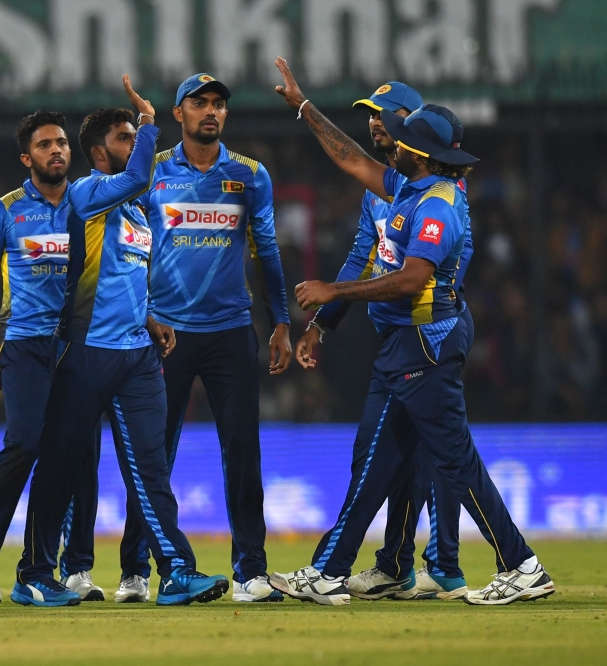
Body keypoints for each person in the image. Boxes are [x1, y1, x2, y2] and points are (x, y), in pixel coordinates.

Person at [269, 58, 554, 606]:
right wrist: (304, 108)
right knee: (375, 461)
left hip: (425, 341)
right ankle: (330, 571)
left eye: (396, 131)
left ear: (417, 149)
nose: (384, 137)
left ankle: (520, 565)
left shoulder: (438, 204)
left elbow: (411, 280)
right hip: (407, 343)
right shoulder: (406, 184)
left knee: (452, 460)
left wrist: (334, 292)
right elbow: (351, 159)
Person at [12, 76, 229, 608]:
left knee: (150, 467)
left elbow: (123, 275)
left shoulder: (134, 212)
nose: (135, 145)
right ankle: (34, 574)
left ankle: (176, 571)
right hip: (86, 352)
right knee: (60, 463)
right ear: (97, 152)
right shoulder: (86, 193)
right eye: (125, 138)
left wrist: (151, 317)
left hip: (135, 354)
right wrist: (154, 124)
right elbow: (136, 178)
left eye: (137, 135)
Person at [112, 73, 292, 604]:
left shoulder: (249, 175)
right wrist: (141, 314)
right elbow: (128, 252)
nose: (210, 111)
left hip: (231, 333)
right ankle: (135, 569)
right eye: (199, 103)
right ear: (179, 113)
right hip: (165, 333)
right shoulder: (151, 173)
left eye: (218, 104)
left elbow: (268, 252)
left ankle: (251, 572)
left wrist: (281, 322)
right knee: (153, 455)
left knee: (243, 452)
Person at [295, 82, 475, 602]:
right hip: (399, 335)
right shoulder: (384, 191)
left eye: (386, 114)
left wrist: (429, 319)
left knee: (432, 454)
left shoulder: (437, 191)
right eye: (370, 114)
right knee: (396, 454)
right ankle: (401, 562)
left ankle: (441, 561)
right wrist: (323, 323)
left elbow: (438, 271)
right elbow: (361, 258)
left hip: (428, 333)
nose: (376, 123)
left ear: (412, 125)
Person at [0, 110, 103, 603]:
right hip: (24, 343)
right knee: (23, 444)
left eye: (62, 143)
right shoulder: (2, 211)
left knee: (68, 455)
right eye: (45, 145)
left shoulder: (86, 202)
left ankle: (40, 570)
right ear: (27, 158)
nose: (57, 150)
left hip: (77, 345)